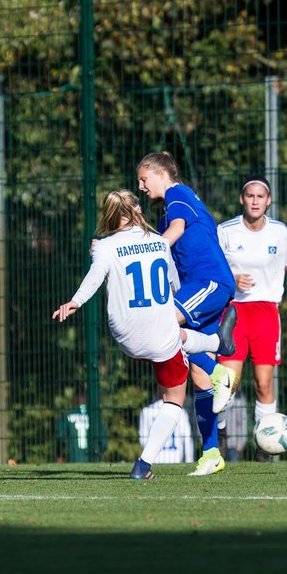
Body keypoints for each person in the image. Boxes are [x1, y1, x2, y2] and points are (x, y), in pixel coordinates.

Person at [53, 189, 234, 480]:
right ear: (137, 210)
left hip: (126, 336)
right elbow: (174, 283)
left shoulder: (105, 246)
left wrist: (75, 301)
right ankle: (142, 466)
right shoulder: (159, 243)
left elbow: (95, 275)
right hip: (161, 334)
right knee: (174, 397)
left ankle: (216, 348)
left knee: (176, 336)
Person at [136, 152, 238, 477]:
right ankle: (211, 453)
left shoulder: (177, 194)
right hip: (197, 286)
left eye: (144, 179)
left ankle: (220, 366)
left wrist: (150, 251)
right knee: (198, 375)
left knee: (163, 325)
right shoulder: (168, 210)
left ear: (160, 174)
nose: (141, 186)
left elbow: (177, 229)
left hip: (209, 281)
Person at [216, 178, 287, 457]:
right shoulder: (226, 231)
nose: (255, 201)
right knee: (227, 383)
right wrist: (231, 279)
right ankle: (219, 434)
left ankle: (264, 446)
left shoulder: (280, 232)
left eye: (260, 196)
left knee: (263, 383)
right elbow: (212, 269)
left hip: (266, 314)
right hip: (233, 312)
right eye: (250, 195)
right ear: (242, 199)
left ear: (268, 201)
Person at [139, 393, 195, 465]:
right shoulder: (181, 412)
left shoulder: (147, 410)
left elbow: (143, 440)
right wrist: (189, 460)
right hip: (176, 458)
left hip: (154, 460)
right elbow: (188, 439)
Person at [55, 389, 107, 464]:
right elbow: (104, 443)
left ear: (73, 399)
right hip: (94, 459)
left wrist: (59, 455)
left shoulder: (68, 415)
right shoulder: (95, 416)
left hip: (73, 459)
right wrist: (97, 452)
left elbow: (60, 437)